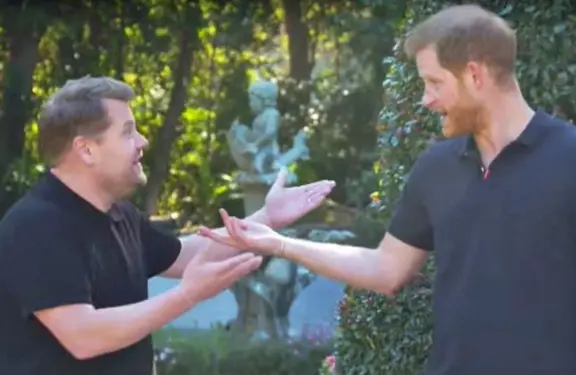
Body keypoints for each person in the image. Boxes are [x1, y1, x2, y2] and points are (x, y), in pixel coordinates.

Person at [201, 4, 576, 375]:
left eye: (434, 82)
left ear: (475, 74)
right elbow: (386, 269)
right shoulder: (436, 167)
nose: (426, 98)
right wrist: (280, 244)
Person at [0, 76, 335, 375]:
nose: (142, 141)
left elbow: (187, 254)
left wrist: (266, 218)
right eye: (128, 132)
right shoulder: (36, 225)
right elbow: (83, 336)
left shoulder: (118, 213)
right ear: (86, 150)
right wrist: (187, 295)